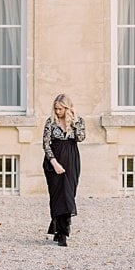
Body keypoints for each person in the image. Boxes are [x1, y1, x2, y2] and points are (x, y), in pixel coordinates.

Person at [43, 93, 86, 247]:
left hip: (72, 161)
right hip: (53, 161)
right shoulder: (50, 122)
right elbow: (46, 144)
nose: (57, 112)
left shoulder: (78, 121)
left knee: (68, 196)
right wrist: (54, 163)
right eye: (56, 109)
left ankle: (61, 230)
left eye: (60, 109)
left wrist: (73, 123)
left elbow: (81, 138)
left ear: (67, 108)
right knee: (57, 196)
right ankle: (60, 232)